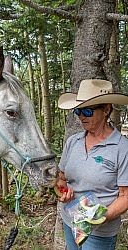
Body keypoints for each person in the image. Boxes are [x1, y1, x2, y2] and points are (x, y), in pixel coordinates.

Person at [57, 79, 128, 250]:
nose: (81, 116)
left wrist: (99, 218)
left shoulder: (122, 148)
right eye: (78, 110)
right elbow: (61, 178)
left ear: (106, 109)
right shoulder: (73, 142)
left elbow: (125, 196)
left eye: (87, 111)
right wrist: (62, 192)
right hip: (71, 222)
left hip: (100, 233)